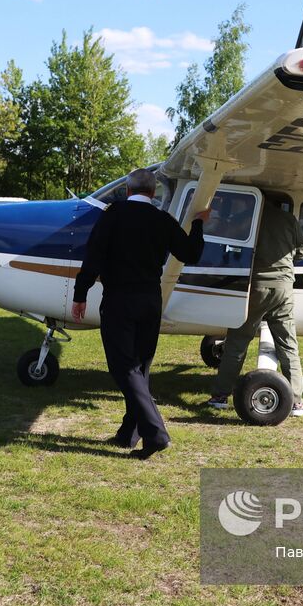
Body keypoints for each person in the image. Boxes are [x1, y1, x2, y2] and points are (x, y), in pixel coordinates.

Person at [71, 169, 209, 459]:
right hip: (150, 302)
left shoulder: (112, 215)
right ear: (153, 192)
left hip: (119, 300)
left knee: (123, 368)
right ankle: (129, 434)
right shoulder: (162, 219)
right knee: (140, 369)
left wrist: (80, 295)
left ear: (127, 189)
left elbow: (93, 256)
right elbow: (190, 253)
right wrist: (198, 224)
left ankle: (156, 434)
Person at [207, 198, 303, 415]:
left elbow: (230, 249)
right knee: (288, 345)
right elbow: (302, 252)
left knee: (237, 342)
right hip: (283, 289)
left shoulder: (246, 219)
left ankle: (220, 396)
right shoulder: (288, 219)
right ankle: (296, 402)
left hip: (255, 287)